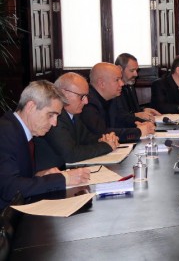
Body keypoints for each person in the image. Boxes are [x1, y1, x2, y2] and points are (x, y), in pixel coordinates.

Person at [0, 80, 90, 209]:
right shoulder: (5, 132)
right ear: (31, 107)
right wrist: (64, 178)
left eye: (57, 116)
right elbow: (10, 189)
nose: (54, 123)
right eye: (51, 115)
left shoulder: (19, 130)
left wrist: (40, 175)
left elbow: (16, 177)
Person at [34, 73, 119, 170]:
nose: (86, 101)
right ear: (63, 93)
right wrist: (106, 146)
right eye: (82, 96)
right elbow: (71, 154)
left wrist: (105, 139)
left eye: (86, 96)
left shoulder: (73, 114)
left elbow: (86, 138)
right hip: (50, 177)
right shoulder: (55, 117)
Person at [81, 62, 155, 143]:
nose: (122, 83)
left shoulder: (110, 97)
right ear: (101, 83)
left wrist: (145, 124)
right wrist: (138, 132)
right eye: (117, 80)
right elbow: (102, 133)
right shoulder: (87, 103)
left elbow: (122, 118)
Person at [110, 53, 161, 128]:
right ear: (120, 69)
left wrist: (144, 110)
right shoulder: (112, 89)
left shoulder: (130, 86)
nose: (136, 74)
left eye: (136, 70)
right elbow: (117, 118)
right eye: (132, 70)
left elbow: (131, 110)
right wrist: (136, 115)